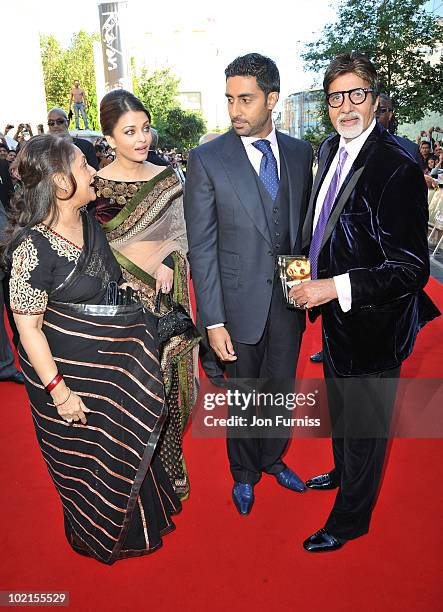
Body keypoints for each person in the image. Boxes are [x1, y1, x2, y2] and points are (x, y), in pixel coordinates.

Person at [1, 134, 181, 563]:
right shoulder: (32, 249)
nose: (94, 172)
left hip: (114, 371)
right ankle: (95, 532)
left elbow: (110, 287)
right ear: (61, 183)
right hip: (69, 380)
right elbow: (29, 331)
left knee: (127, 444)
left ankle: (141, 525)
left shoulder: (88, 223)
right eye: (84, 166)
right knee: (90, 459)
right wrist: (60, 392)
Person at [291, 52, 440, 552]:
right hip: (336, 322)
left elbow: (410, 268)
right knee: (343, 415)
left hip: (376, 324)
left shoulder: (396, 162)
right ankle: (344, 473)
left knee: (365, 429)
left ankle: (352, 519)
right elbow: (330, 218)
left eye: (357, 95)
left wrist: (332, 286)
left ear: (376, 100)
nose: (346, 106)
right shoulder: (332, 145)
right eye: (336, 97)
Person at [184, 53, 313, 515]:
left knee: (280, 389)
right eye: (229, 99)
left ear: (272, 99)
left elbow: (298, 234)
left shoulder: (301, 154)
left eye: (246, 99)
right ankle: (243, 473)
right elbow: (202, 247)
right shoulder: (207, 159)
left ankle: (274, 458)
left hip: (289, 299)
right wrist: (212, 320)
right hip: (236, 305)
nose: (235, 110)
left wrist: (303, 294)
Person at [92, 90, 199, 500]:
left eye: (146, 128)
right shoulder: (95, 186)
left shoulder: (167, 178)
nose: (142, 139)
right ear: (109, 137)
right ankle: (130, 484)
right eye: (130, 131)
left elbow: (182, 235)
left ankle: (170, 470)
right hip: (121, 307)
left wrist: (170, 260)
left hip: (166, 305)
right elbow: (94, 247)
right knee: (130, 396)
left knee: (170, 390)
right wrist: (140, 266)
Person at [376, 93, 421, 164]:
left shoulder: (409, 149)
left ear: (390, 115)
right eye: (370, 111)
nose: (375, 115)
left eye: (380, 110)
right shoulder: (353, 149)